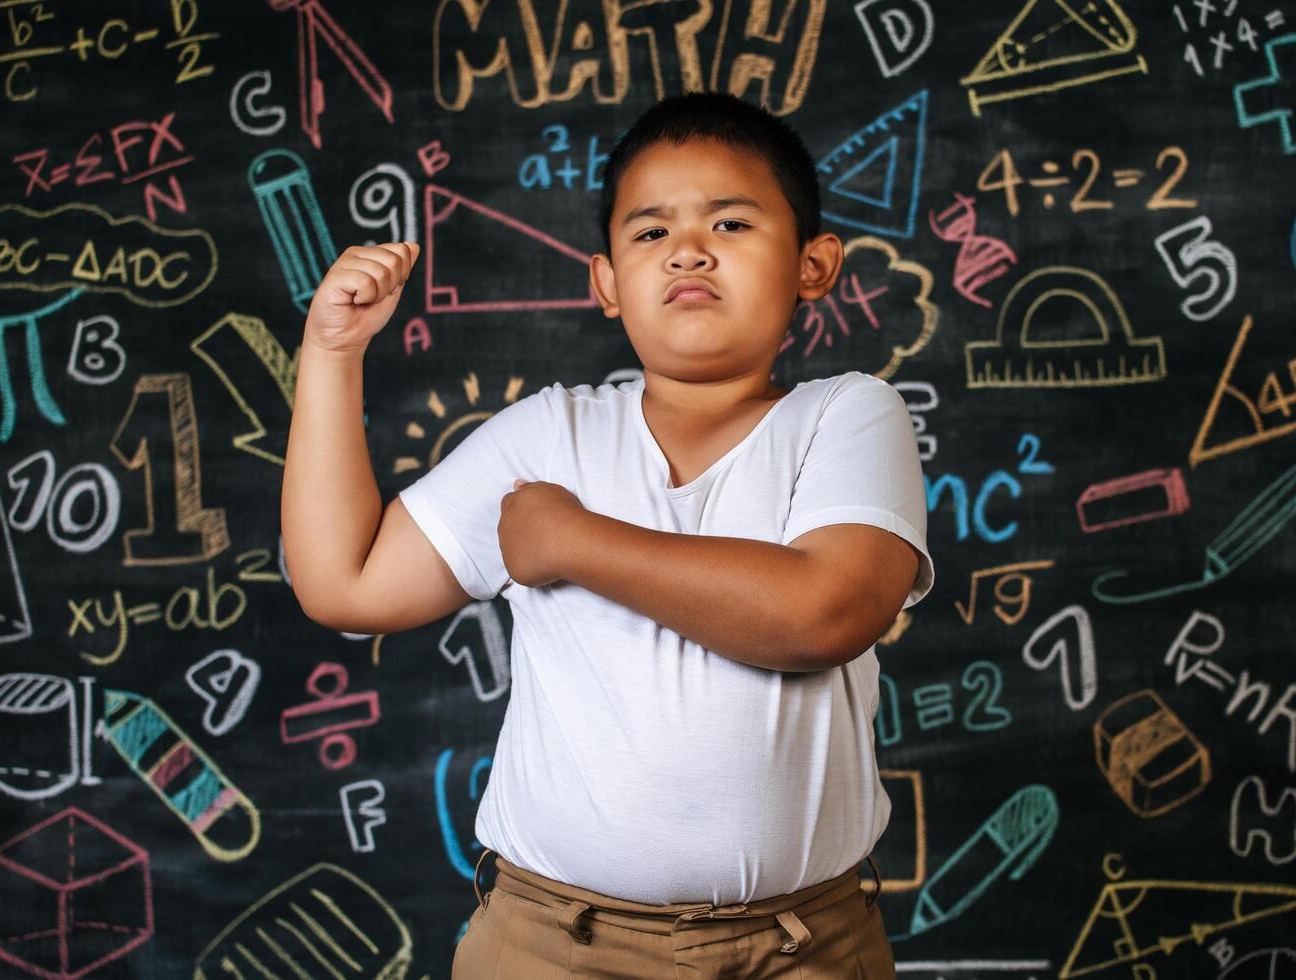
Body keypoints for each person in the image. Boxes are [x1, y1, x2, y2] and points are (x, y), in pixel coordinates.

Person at [282, 91, 934, 979]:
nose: (689, 251)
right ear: (605, 283)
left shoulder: (847, 416)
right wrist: (330, 356)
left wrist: (572, 542)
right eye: (650, 233)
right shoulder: (547, 436)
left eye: (733, 223)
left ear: (814, 265)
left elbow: (823, 613)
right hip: (553, 943)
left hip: (802, 947)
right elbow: (344, 584)